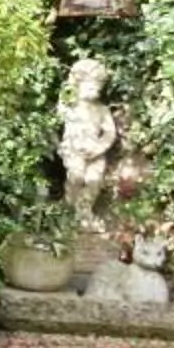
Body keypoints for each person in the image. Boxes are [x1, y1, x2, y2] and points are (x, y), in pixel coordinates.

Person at [58, 57, 120, 233]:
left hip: (95, 151)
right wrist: (71, 82)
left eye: (98, 87)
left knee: (94, 181)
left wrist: (99, 148)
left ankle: (84, 212)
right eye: (91, 86)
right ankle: (69, 210)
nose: (95, 90)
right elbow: (62, 104)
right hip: (73, 149)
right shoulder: (71, 105)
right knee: (76, 177)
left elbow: (110, 133)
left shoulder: (102, 110)